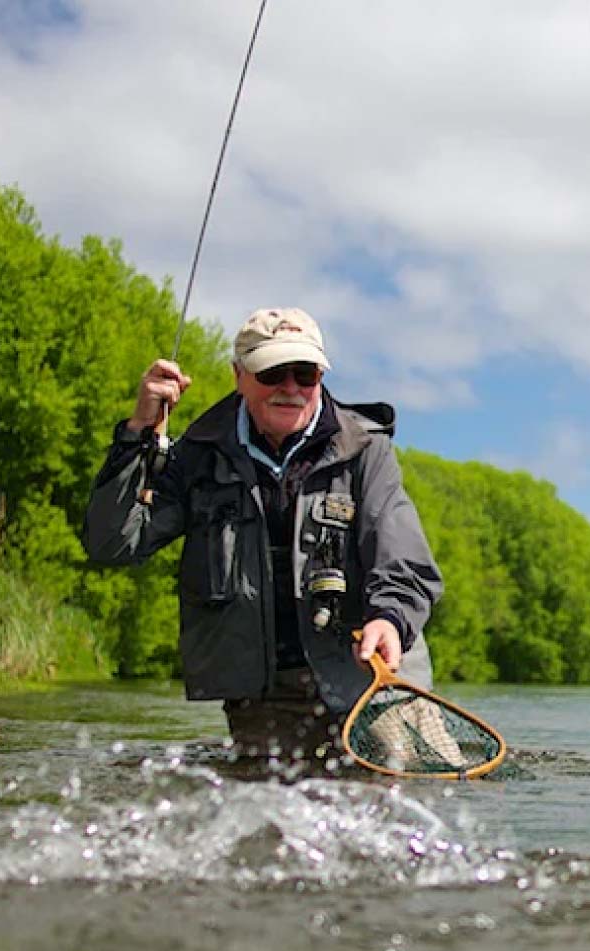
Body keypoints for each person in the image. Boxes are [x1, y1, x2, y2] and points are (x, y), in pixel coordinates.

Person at [82, 307, 442, 767]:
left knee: (406, 796)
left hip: (375, 678)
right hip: (265, 696)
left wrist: (390, 620)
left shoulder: (366, 450)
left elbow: (404, 561)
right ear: (239, 376)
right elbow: (113, 543)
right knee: (267, 811)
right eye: (272, 373)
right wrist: (136, 435)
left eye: (305, 373)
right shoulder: (198, 456)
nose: (290, 387)